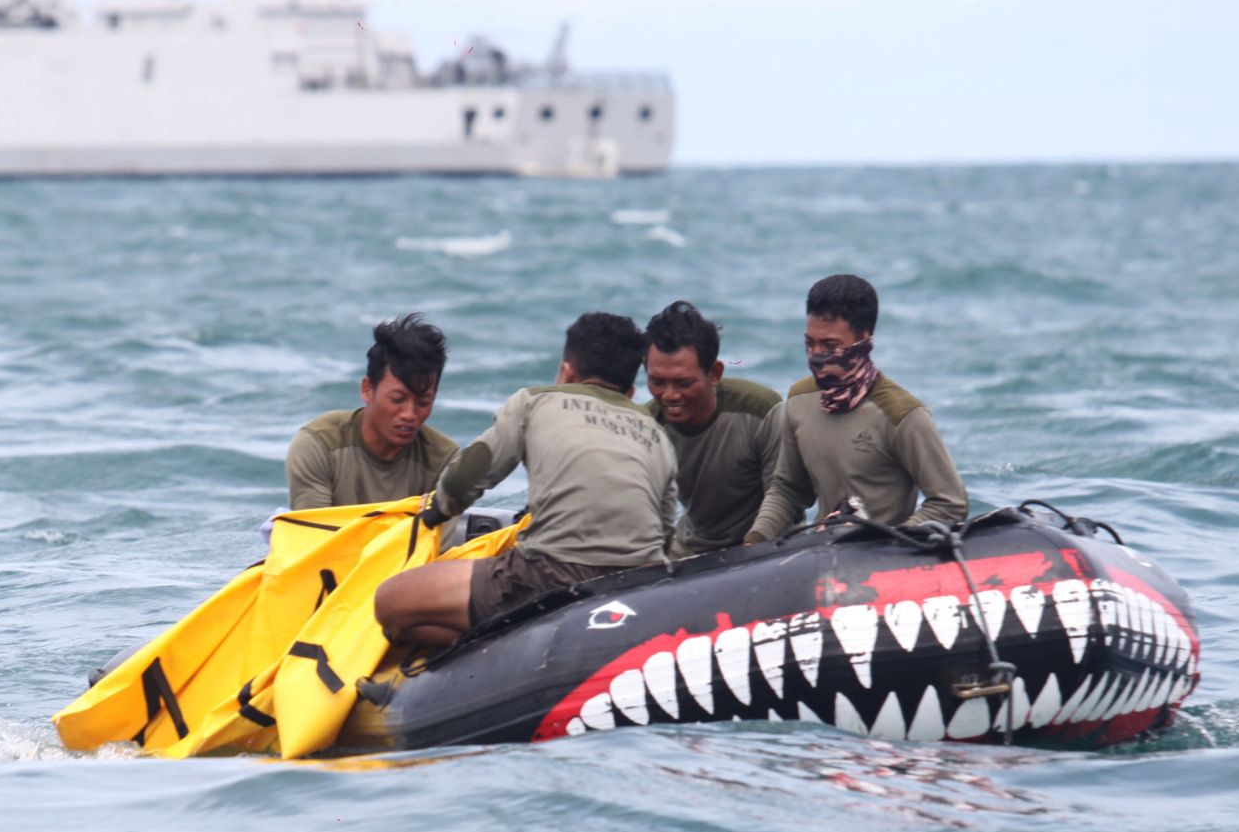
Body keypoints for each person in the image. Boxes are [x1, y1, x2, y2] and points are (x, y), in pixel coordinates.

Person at [374, 312, 677, 647]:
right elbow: (666, 531)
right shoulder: (655, 431)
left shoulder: (534, 402)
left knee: (390, 602)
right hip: (639, 585)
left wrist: (437, 511)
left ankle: (500, 652)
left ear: (566, 371)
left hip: (549, 575)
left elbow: (466, 480)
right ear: (631, 389)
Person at [746, 274, 968, 543]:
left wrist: (895, 541)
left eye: (830, 345)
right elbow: (788, 490)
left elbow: (950, 504)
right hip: (821, 551)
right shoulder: (800, 400)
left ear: (864, 341)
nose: (816, 355)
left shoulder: (903, 415)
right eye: (810, 343)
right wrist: (754, 542)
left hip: (883, 558)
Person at [642, 300, 787, 555]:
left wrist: (755, 544)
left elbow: (785, 493)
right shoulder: (647, 429)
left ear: (714, 374)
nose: (670, 395)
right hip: (692, 550)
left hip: (769, 546)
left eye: (684, 383)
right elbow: (645, 512)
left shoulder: (761, 410)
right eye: (657, 382)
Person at [286, 313, 457, 511]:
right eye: (397, 399)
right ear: (367, 389)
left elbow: (437, 538)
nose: (410, 414)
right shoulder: (319, 444)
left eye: (423, 401)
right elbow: (312, 536)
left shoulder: (445, 462)